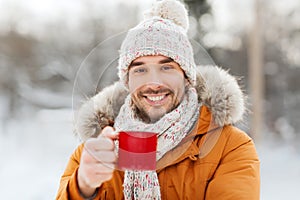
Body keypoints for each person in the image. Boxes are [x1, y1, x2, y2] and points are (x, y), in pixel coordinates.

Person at [56, 0, 260, 199]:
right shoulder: (93, 153)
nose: (153, 83)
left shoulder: (231, 147)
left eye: (167, 67)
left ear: (187, 77)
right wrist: (82, 188)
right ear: (127, 81)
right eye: (140, 69)